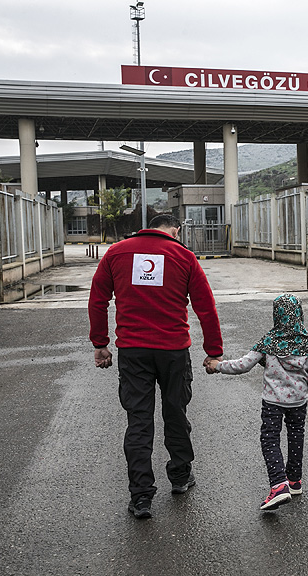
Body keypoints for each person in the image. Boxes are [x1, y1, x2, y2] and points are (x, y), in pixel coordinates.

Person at [89, 214, 223, 520]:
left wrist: (100, 343)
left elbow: (98, 299)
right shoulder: (184, 256)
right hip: (174, 351)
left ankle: (141, 497)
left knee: (139, 422)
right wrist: (213, 351)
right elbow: (205, 305)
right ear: (175, 230)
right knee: (175, 412)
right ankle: (179, 477)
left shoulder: (116, 252)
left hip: (133, 351)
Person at [206, 294, 308, 512]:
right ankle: (294, 481)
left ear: (276, 315)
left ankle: (279, 484)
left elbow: (243, 365)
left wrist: (217, 365)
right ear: (299, 314)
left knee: (270, 439)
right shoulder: (307, 344)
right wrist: (300, 388)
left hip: (273, 403)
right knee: (296, 436)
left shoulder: (269, 342)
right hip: (298, 402)